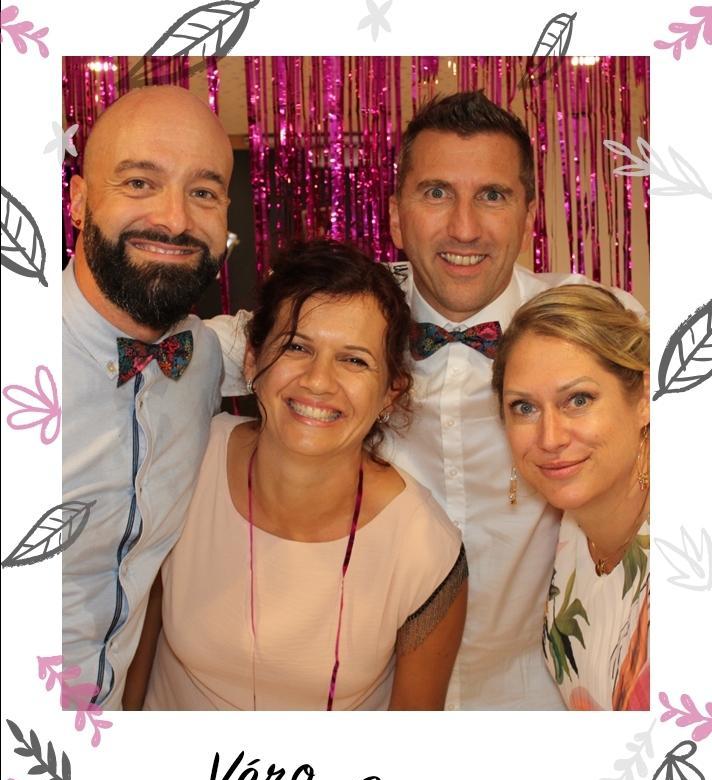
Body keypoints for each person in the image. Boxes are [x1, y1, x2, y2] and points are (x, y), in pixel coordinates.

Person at [210, 90, 645, 710]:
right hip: (371, 693)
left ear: (528, 214)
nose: (464, 227)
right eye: (437, 192)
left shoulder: (591, 320)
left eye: (492, 195)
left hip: (540, 692)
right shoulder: (347, 317)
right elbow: (215, 351)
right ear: (395, 216)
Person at [143, 240, 468, 710]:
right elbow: (133, 641)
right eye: (297, 347)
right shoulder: (187, 460)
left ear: (390, 393)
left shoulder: (426, 548)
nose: (318, 381)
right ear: (252, 360)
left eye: (354, 360)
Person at [63, 85, 234, 710]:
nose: (175, 220)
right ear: (79, 201)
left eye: (204, 192)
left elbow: (308, 341)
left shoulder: (203, 356)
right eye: (140, 182)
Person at [492, 285, 650, 710]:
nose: (550, 438)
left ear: (644, 398)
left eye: (578, 400)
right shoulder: (571, 533)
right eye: (524, 408)